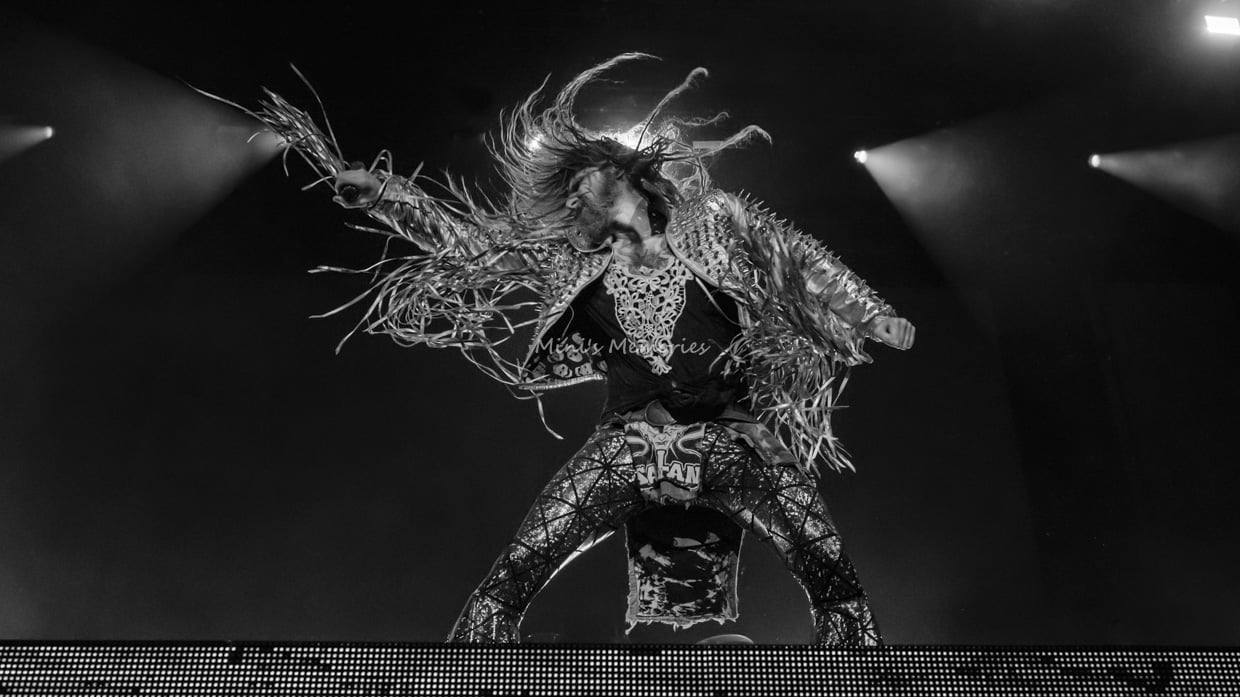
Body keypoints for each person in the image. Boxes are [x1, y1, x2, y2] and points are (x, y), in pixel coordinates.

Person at [243, 53, 913, 645]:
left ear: (620, 174)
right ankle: (471, 661)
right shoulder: (568, 261)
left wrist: (872, 313)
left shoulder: (713, 220)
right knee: (525, 558)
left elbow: (793, 252)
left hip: (736, 439)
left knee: (825, 558)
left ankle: (858, 669)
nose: (570, 197)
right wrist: (388, 196)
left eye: (578, 182)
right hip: (627, 443)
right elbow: (471, 245)